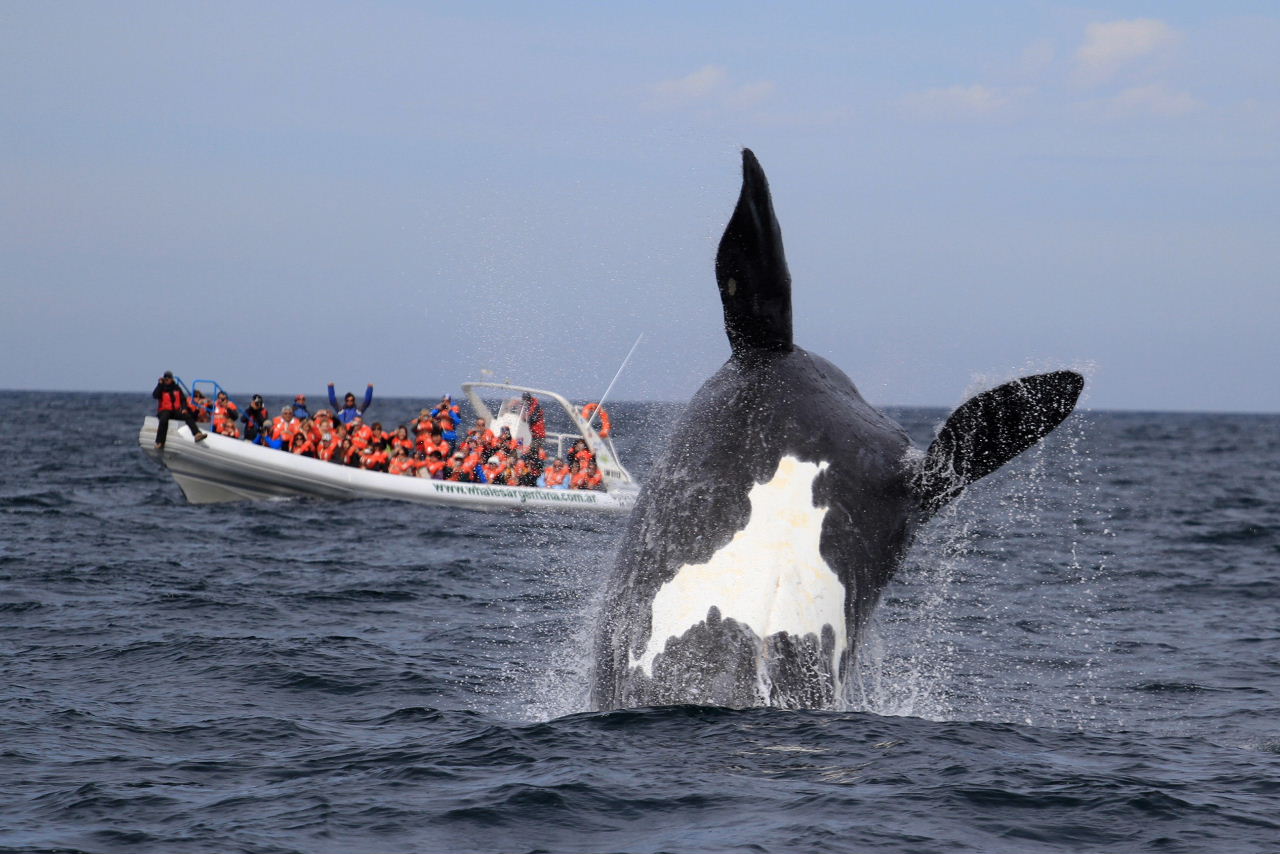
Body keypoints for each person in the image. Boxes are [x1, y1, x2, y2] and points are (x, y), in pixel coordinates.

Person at [152, 371, 206, 449]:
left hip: (175, 411)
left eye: (168, 378)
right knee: (164, 420)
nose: (167, 380)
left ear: (171, 379)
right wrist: (159, 384)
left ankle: (197, 434)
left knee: (187, 416)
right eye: (165, 379)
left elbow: (183, 399)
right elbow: (155, 395)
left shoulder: (176, 388)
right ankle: (159, 442)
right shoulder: (161, 388)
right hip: (164, 410)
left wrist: (184, 408)